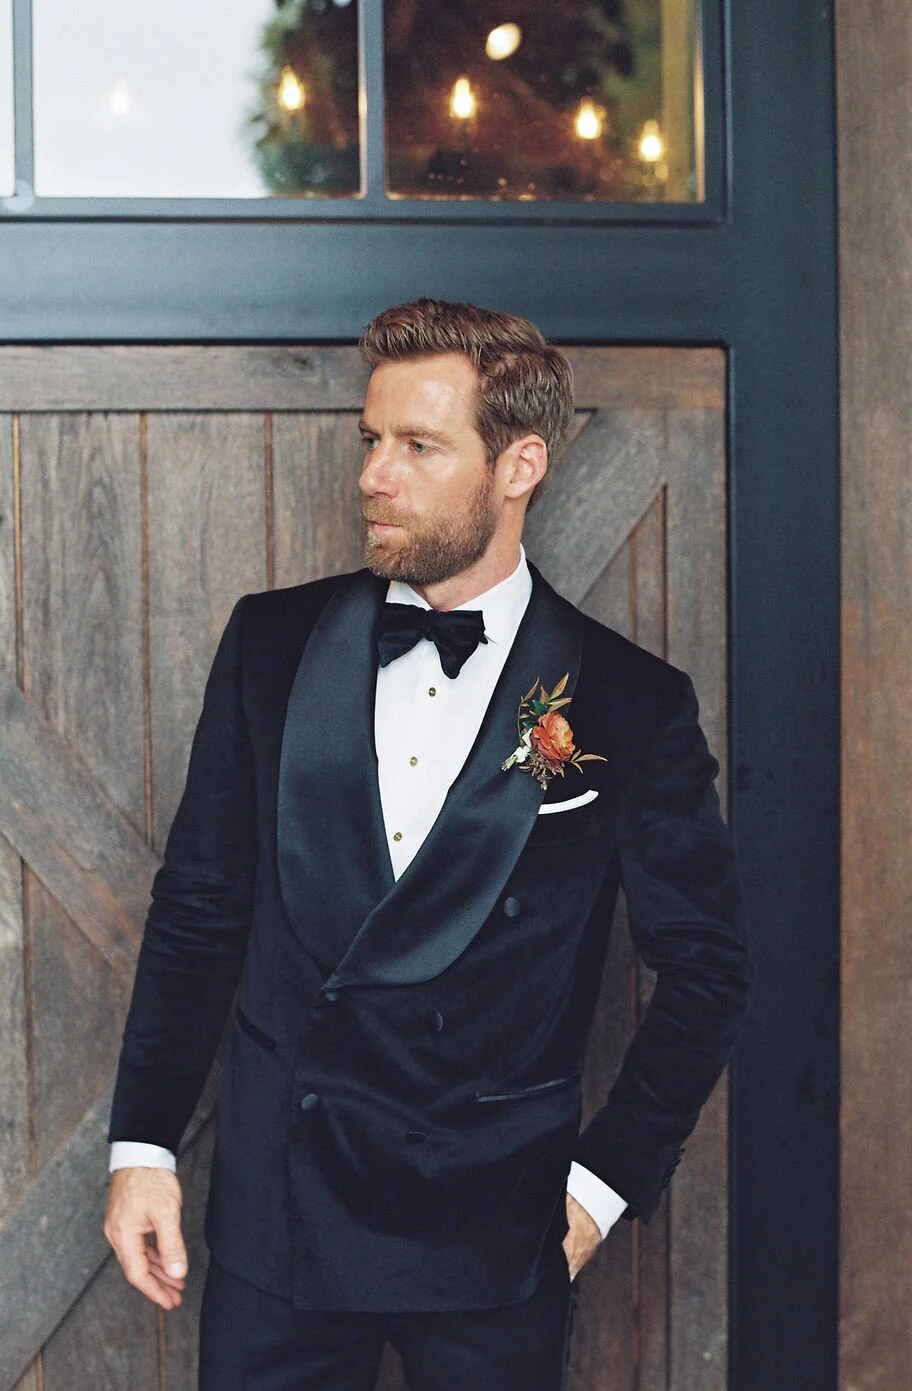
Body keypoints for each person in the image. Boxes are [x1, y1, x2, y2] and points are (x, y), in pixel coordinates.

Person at [103, 298, 753, 1390]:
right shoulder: (270, 644)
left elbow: (709, 968)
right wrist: (143, 1146)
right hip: (281, 1225)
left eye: (416, 445)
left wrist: (601, 1185)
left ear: (518, 465)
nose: (373, 474)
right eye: (371, 440)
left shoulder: (628, 704)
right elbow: (199, 909)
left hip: (493, 1234)